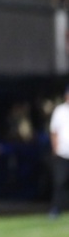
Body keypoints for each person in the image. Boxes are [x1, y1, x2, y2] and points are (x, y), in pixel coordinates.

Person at [49, 84, 69, 218]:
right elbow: (54, 131)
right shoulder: (60, 110)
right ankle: (56, 208)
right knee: (60, 181)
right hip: (62, 152)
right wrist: (55, 148)